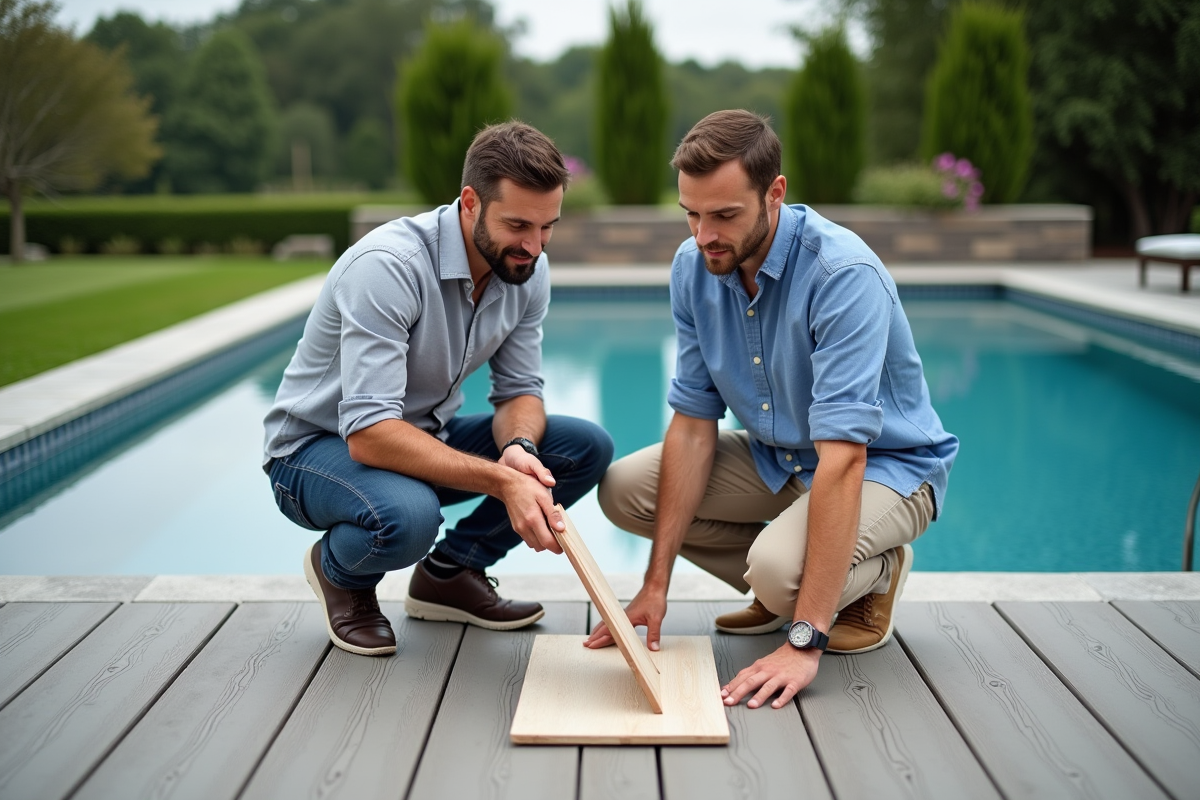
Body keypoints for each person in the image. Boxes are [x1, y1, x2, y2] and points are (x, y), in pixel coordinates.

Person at [587, 110, 958, 709]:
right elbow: (692, 425)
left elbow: (844, 460)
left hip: (887, 467)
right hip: (777, 458)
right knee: (625, 490)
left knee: (782, 579)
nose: (704, 233)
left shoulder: (842, 274)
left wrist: (805, 639)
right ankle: (797, 570)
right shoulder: (693, 267)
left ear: (774, 193)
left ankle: (870, 576)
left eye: (725, 215)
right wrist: (655, 586)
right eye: (692, 213)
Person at [263, 122, 613, 656]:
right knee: (410, 516)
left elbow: (519, 390)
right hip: (313, 453)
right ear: (470, 202)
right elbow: (369, 436)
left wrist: (518, 450)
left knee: (581, 447)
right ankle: (340, 573)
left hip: (422, 436)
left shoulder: (525, 269)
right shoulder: (389, 268)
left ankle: (450, 574)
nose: (534, 246)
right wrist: (501, 481)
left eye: (547, 227)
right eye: (518, 224)